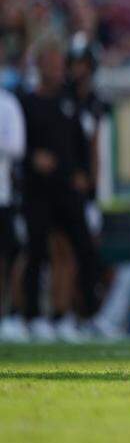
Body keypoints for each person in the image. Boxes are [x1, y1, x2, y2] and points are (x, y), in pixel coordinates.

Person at [19, 40, 102, 339]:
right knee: (37, 251)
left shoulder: (71, 102)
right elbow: (17, 144)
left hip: (68, 189)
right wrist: (32, 158)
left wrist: (85, 176)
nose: (56, 69)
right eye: (50, 63)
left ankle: (78, 315)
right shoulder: (26, 101)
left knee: (83, 251)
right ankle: (29, 316)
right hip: (37, 189)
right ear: (38, 66)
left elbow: (84, 143)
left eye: (59, 63)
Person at [0, 84, 26, 341]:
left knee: (9, 257)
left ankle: (10, 314)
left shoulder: (6, 103)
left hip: (3, 195)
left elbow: (17, 146)